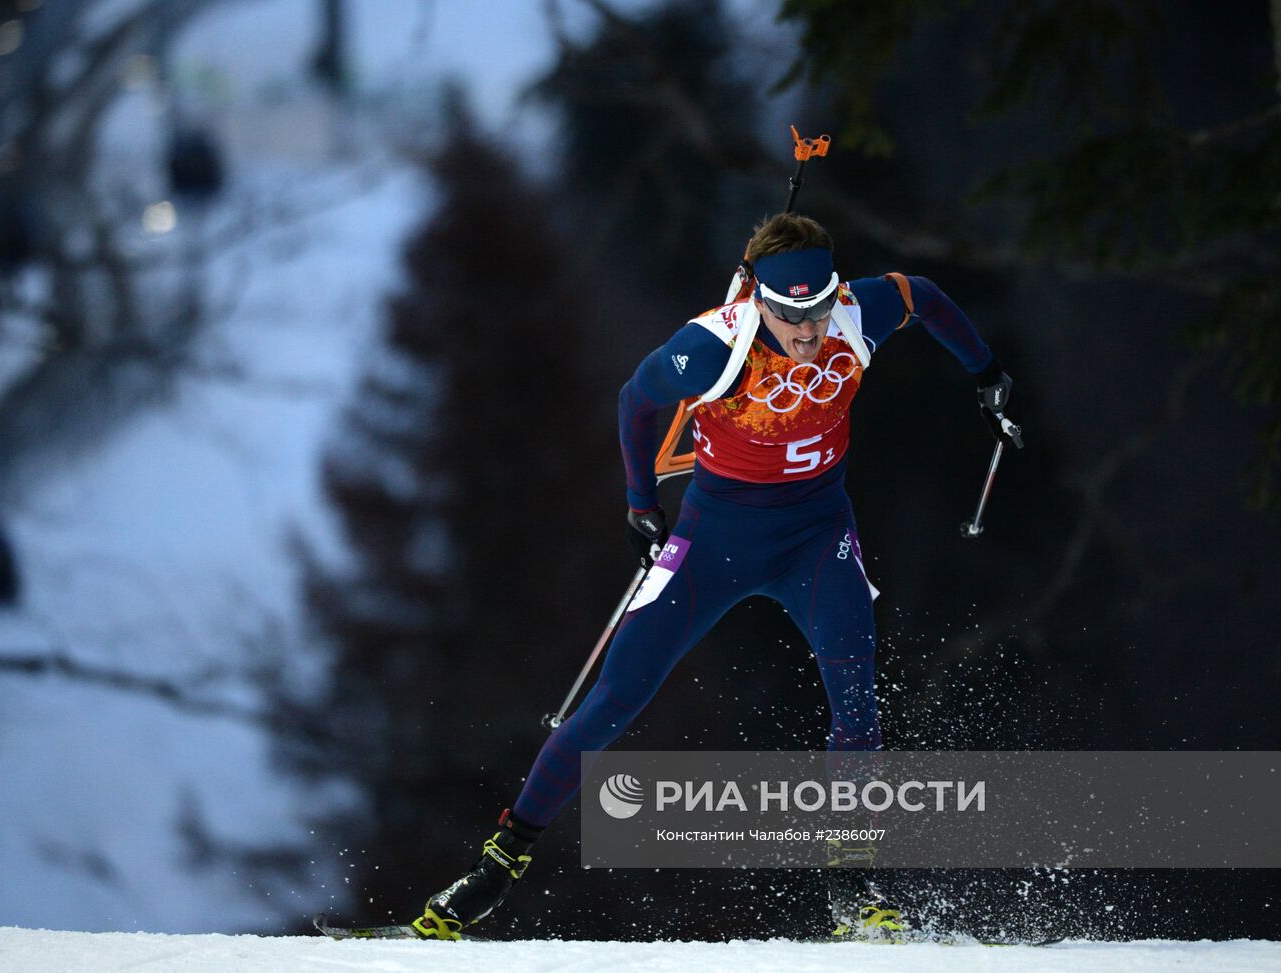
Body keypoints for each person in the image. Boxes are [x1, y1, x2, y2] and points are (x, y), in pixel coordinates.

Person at [410, 213, 1018, 941]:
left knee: (858, 701)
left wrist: (986, 372)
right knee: (615, 697)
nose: (809, 326)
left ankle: (854, 887)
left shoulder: (858, 311)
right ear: (759, 297)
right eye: (791, 312)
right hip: (711, 540)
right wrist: (641, 503)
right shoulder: (711, 346)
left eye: (819, 305)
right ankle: (500, 859)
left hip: (817, 536)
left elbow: (922, 294)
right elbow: (635, 401)